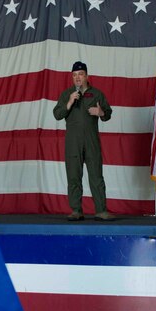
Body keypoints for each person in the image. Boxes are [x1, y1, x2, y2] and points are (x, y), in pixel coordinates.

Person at [52, 60, 115, 221]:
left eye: (80, 74)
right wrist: (70, 102)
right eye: (74, 75)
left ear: (87, 76)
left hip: (91, 141)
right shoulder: (67, 94)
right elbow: (57, 114)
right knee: (73, 175)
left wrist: (100, 112)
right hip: (73, 142)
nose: (77, 78)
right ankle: (76, 210)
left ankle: (101, 210)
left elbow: (107, 114)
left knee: (96, 175)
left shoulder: (97, 94)